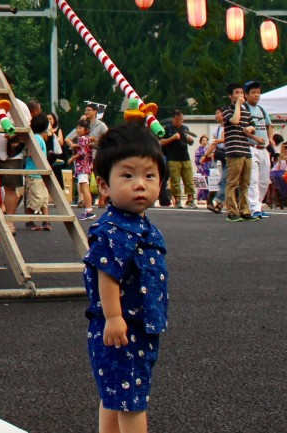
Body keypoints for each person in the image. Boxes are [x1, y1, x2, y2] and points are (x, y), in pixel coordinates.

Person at [84, 123, 168, 433]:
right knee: (132, 401)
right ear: (104, 186)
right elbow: (107, 274)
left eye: (149, 176)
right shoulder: (116, 229)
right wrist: (114, 317)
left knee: (116, 396)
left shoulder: (139, 225)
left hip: (137, 326)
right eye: (128, 175)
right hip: (123, 327)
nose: (140, 185)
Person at [0, 98, 31, 235]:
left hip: (12, 153)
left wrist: (14, 133)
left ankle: (10, 222)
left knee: (11, 188)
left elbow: (27, 125)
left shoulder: (19, 105)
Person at [222, 82, 257, 222]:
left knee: (245, 183)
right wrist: (237, 105)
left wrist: (251, 130)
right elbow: (235, 120)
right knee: (232, 182)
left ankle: (245, 210)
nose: (240, 95)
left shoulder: (246, 111)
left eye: (242, 93)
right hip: (233, 150)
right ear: (230, 96)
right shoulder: (227, 110)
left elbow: (252, 126)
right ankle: (231, 211)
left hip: (246, 150)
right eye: (237, 93)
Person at [66, 103, 109, 207]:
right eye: (86, 110)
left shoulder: (101, 125)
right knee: (85, 179)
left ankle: (102, 199)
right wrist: (73, 146)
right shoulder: (82, 126)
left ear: (95, 112)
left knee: (100, 176)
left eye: (89, 110)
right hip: (84, 157)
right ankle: (85, 200)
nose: (87, 112)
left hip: (97, 155)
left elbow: (108, 139)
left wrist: (96, 141)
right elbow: (68, 138)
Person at [243, 81, 274, 219]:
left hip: (264, 149)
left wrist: (271, 139)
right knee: (253, 179)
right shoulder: (244, 109)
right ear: (246, 95)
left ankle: (259, 205)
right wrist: (255, 138)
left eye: (258, 92)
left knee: (264, 180)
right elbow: (243, 130)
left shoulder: (262, 109)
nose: (257, 95)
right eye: (253, 92)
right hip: (251, 147)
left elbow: (269, 125)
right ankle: (254, 207)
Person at [160, 109, 196, 209]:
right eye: (177, 119)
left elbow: (191, 142)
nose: (179, 121)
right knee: (175, 180)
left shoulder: (185, 128)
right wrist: (172, 138)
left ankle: (190, 200)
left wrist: (190, 140)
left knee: (188, 179)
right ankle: (177, 200)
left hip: (185, 157)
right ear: (173, 119)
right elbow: (162, 142)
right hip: (173, 158)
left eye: (181, 119)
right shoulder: (167, 128)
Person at [24, 114, 52, 231]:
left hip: (40, 172)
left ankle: (46, 220)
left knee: (44, 198)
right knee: (36, 198)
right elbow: (31, 153)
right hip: (34, 172)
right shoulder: (36, 138)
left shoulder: (38, 137)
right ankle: (30, 220)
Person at [67, 119, 96, 221]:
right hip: (86, 166)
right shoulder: (87, 139)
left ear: (86, 130)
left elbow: (82, 153)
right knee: (84, 188)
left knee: (84, 188)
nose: (78, 130)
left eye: (80, 128)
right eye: (77, 127)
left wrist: (72, 158)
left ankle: (89, 210)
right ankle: (88, 209)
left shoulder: (82, 139)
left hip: (82, 166)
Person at [201, 107, 226, 213]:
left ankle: (218, 201)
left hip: (230, 154)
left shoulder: (229, 127)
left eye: (217, 113)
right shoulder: (218, 129)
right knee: (221, 179)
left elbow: (220, 141)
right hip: (220, 155)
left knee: (225, 179)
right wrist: (205, 155)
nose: (216, 116)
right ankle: (216, 202)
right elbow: (214, 144)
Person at [46, 112, 68, 190]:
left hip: (57, 156)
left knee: (57, 173)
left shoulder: (58, 130)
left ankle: (59, 189)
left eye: (50, 119)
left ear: (54, 120)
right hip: (47, 155)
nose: (49, 121)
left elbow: (61, 142)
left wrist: (53, 135)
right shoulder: (44, 131)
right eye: (47, 119)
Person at [194, 134, 211, 202]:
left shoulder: (208, 149)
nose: (204, 141)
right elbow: (197, 160)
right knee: (201, 183)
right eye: (203, 140)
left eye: (206, 140)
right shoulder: (198, 150)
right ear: (200, 141)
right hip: (201, 168)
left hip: (208, 168)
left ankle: (206, 198)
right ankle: (200, 198)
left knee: (208, 184)